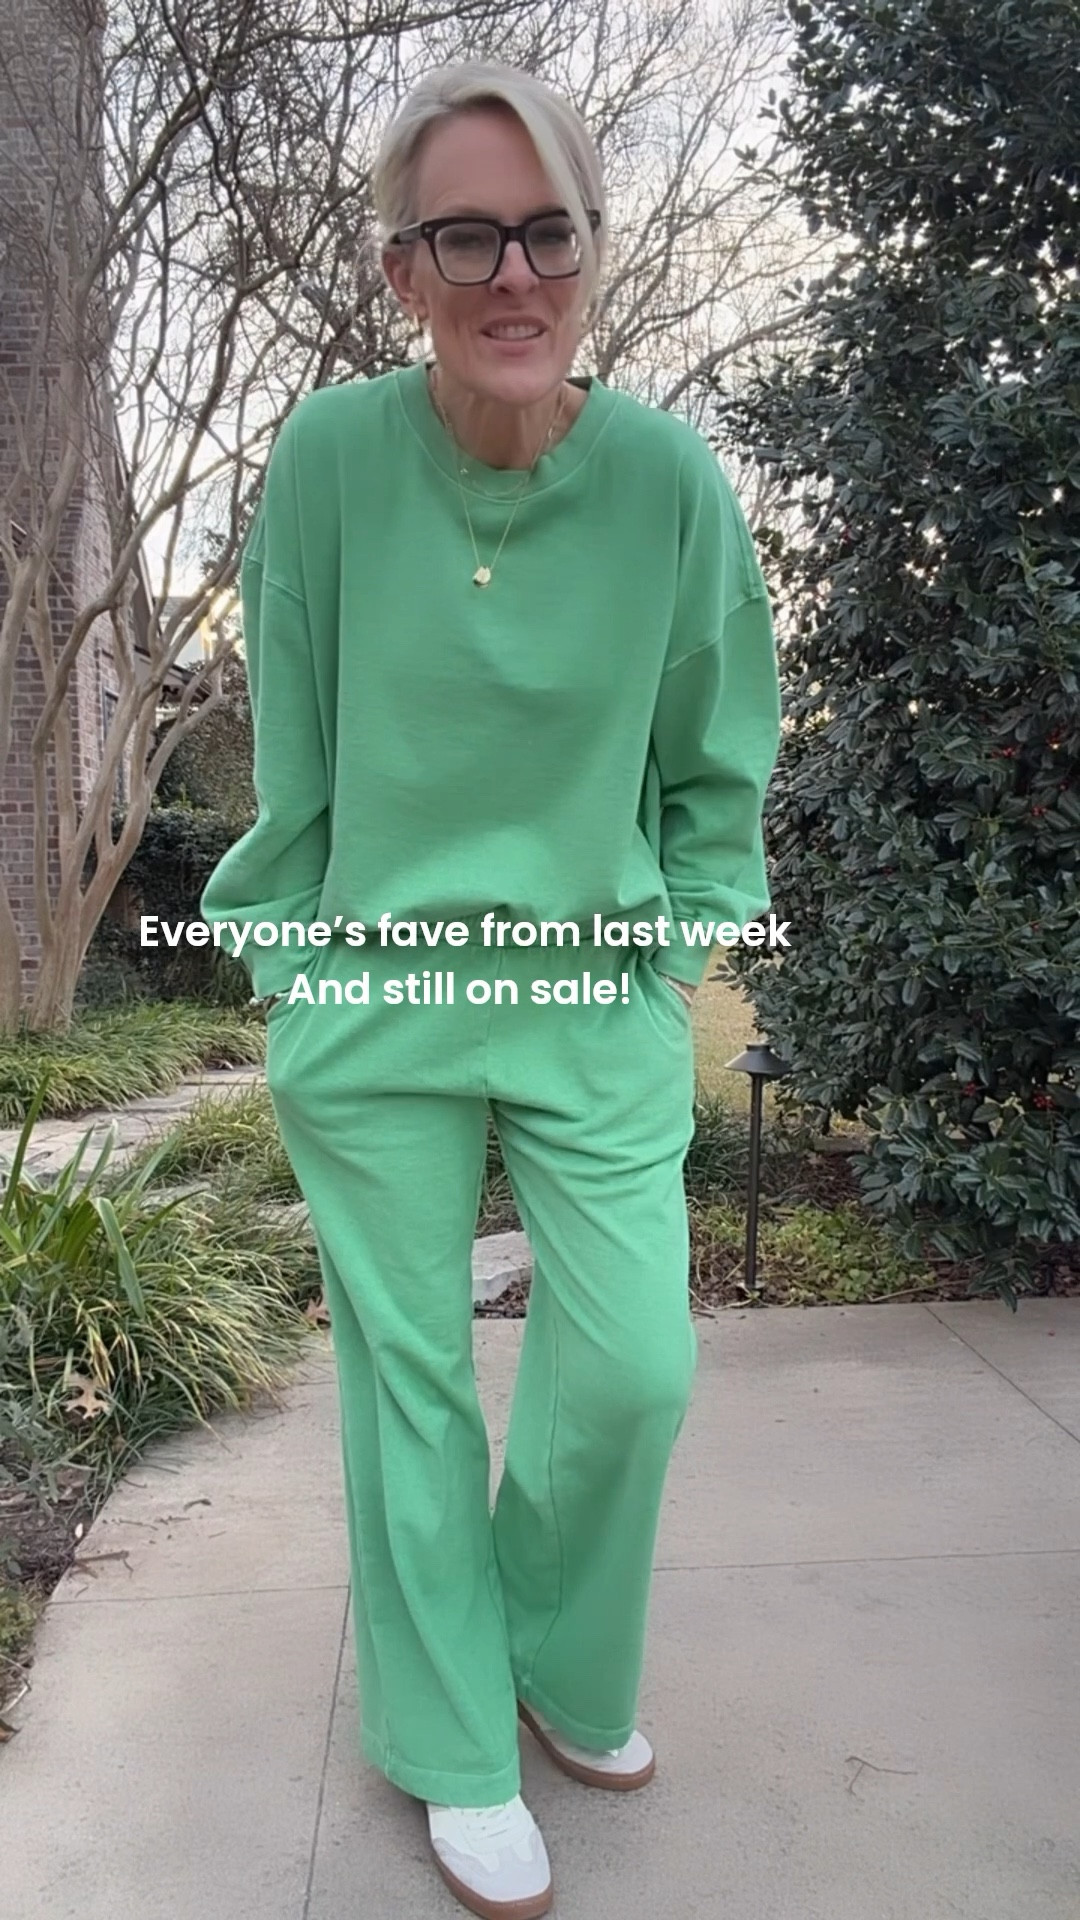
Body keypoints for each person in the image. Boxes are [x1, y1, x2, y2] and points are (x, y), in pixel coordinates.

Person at [200, 58, 781, 1920]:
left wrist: (676, 940)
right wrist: (292, 960)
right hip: (377, 990)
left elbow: (716, 755)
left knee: (636, 1369)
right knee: (415, 1389)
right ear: (403, 269)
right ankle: (456, 1739)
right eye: (465, 235)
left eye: (547, 231)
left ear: (594, 249)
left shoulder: (668, 481)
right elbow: (293, 740)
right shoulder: (329, 458)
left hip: (590, 987)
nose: (512, 273)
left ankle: (544, 1646)